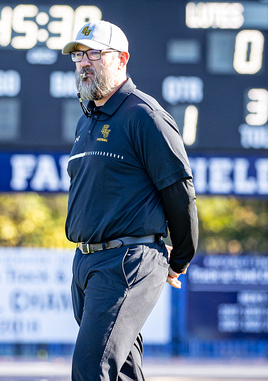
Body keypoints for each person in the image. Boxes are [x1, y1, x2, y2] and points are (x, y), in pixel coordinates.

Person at [62, 20, 198, 380]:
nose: (84, 62)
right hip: (88, 263)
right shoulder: (87, 120)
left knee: (91, 370)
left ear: (121, 59)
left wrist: (180, 257)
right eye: (78, 55)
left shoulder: (145, 115)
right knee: (121, 371)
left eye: (94, 53)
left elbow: (179, 190)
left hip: (126, 262)